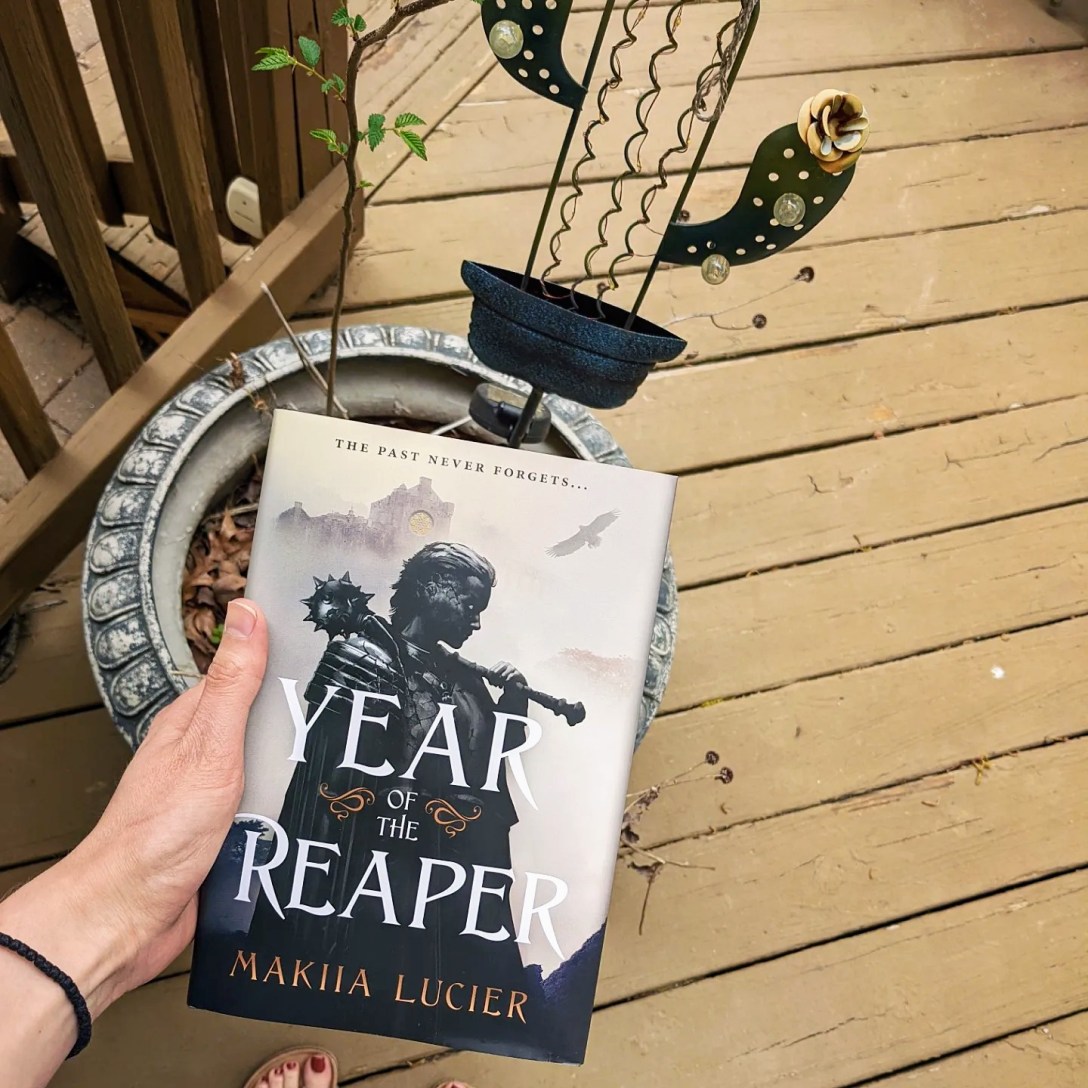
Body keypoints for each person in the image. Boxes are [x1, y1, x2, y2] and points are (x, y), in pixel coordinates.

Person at [0, 598, 475, 1088]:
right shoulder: (362, 656)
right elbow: (333, 762)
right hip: (335, 830)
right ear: (437, 595)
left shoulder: (446, 677)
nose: (476, 620)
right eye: (469, 605)